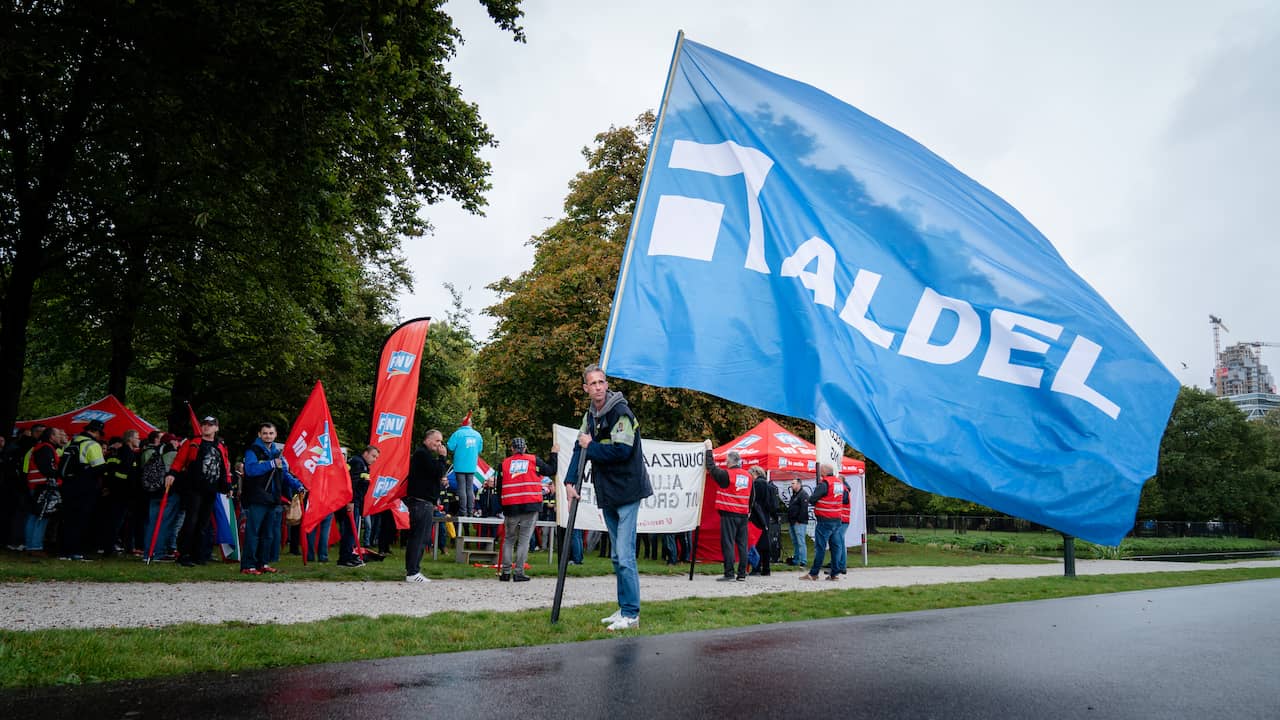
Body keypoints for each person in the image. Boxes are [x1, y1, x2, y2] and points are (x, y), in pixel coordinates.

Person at [563, 364, 653, 631]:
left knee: (625, 555)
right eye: (593, 383)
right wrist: (569, 481)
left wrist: (591, 446)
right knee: (616, 556)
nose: (598, 387)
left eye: (601, 382)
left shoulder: (620, 412)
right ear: (585, 388)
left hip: (628, 490)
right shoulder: (590, 416)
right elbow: (580, 446)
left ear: (606, 384)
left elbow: (622, 451)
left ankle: (632, 614)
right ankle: (624, 608)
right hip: (609, 492)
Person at [165, 416, 232, 568]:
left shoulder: (220, 446)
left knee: (203, 522)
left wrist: (228, 485)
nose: (207, 427)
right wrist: (172, 474)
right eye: (204, 424)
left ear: (216, 428)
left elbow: (225, 467)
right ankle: (184, 554)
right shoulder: (192, 442)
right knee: (191, 521)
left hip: (211, 489)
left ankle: (198, 554)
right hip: (194, 488)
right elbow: (179, 460)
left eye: (210, 425)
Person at [240, 422, 304, 575]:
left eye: (270, 433)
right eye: (265, 433)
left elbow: (285, 475)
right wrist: (271, 464)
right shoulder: (252, 451)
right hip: (257, 497)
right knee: (253, 533)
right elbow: (251, 470)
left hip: (273, 499)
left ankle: (263, 563)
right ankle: (248, 565)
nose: (268, 436)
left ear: (275, 435)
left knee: (268, 534)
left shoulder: (278, 454)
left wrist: (298, 485)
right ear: (259, 435)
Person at [498, 437, 557, 582]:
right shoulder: (533, 460)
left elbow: (499, 487)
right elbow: (551, 470)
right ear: (525, 448)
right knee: (524, 539)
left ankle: (505, 572)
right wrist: (554, 454)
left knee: (509, 539)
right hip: (530, 505)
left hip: (510, 505)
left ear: (512, 449)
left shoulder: (504, 464)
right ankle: (519, 572)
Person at [59, 419, 107, 561]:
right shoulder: (93, 445)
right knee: (81, 519)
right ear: (96, 432)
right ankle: (76, 551)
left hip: (68, 484)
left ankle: (63, 551)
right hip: (84, 485)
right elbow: (99, 467)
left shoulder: (71, 442)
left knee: (67, 518)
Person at [404, 429, 447, 583]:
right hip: (421, 502)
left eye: (440, 442)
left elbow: (434, 475)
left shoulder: (425, 455)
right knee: (419, 537)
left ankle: (413, 569)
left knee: (421, 537)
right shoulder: (422, 454)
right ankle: (412, 571)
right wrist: (442, 458)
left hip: (424, 502)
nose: (439, 445)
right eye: (437, 441)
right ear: (428, 439)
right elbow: (437, 472)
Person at [704, 443, 751, 582]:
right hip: (743, 514)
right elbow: (752, 496)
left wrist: (709, 450)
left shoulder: (726, 475)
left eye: (726, 461)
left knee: (728, 543)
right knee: (743, 545)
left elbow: (711, 468)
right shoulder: (748, 476)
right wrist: (749, 511)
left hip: (729, 514)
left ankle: (729, 573)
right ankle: (742, 574)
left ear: (730, 462)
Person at [21, 427, 62, 556]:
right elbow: (48, 469)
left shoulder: (40, 447)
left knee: (34, 516)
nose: (60, 436)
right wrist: (59, 474)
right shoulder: (46, 448)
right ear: (51, 437)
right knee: (41, 517)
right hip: (43, 486)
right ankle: (35, 546)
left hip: (36, 485)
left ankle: (31, 545)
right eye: (58, 434)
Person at [802, 464, 846, 581]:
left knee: (820, 547)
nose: (820, 472)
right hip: (837, 519)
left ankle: (814, 573)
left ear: (825, 472)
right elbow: (845, 498)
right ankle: (835, 574)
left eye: (821, 470)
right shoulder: (839, 483)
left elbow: (812, 499)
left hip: (824, 520)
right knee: (836, 547)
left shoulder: (824, 484)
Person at [338, 445, 378, 567]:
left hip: (355, 502)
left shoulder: (362, 464)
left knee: (350, 530)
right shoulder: (358, 462)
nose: (375, 459)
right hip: (351, 502)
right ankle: (346, 559)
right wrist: (350, 501)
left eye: (376, 457)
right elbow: (352, 483)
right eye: (373, 456)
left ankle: (348, 555)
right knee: (350, 531)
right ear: (365, 453)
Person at [446, 413, 483, 519]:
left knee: (461, 488)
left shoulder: (457, 434)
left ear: (462, 424)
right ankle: (471, 511)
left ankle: (463, 511)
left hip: (459, 465)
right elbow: (480, 449)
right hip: (471, 465)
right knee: (469, 488)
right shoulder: (477, 435)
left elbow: (450, 447)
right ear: (471, 424)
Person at [748, 465, 775, 576]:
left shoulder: (756, 485)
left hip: (757, 516)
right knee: (766, 544)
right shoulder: (770, 486)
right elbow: (772, 505)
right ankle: (766, 568)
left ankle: (756, 567)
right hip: (766, 516)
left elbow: (754, 502)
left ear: (755, 473)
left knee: (757, 542)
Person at [786, 478, 810, 568]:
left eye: (793, 483)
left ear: (799, 484)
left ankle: (803, 561)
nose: (792, 485)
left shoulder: (803, 494)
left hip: (799, 522)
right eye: (791, 483)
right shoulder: (795, 495)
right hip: (792, 522)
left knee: (801, 542)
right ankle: (796, 559)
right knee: (795, 542)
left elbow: (804, 509)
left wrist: (799, 520)